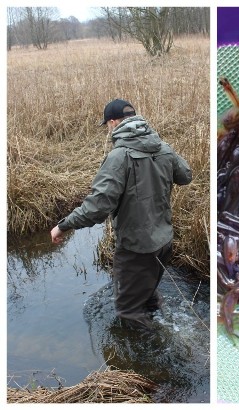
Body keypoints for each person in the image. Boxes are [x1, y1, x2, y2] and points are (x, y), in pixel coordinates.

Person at [50, 99, 192, 330]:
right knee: (147, 295)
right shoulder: (162, 146)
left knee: (128, 311)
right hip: (164, 241)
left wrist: (63, 225)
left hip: (136, 247)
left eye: (107, 124)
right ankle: (166, 325)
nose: (108, 129)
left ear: (114, 122)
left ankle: (154, 352)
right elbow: (186, 175)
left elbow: (97, 207)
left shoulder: (119, 156)